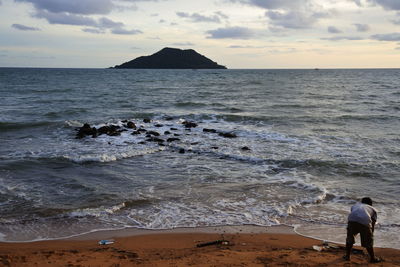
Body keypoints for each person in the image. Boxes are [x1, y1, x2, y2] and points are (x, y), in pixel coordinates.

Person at [344, 197, 381, 263]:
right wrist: (371, 233)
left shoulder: (355, 205)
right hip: (365, 221)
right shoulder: (373, 209)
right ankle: (372, 258)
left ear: (361, 202)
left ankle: (347, 256)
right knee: (368, 241)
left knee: (350, 239)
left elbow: (354, 214)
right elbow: (372, 223)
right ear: (370, 204)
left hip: (352, 220)